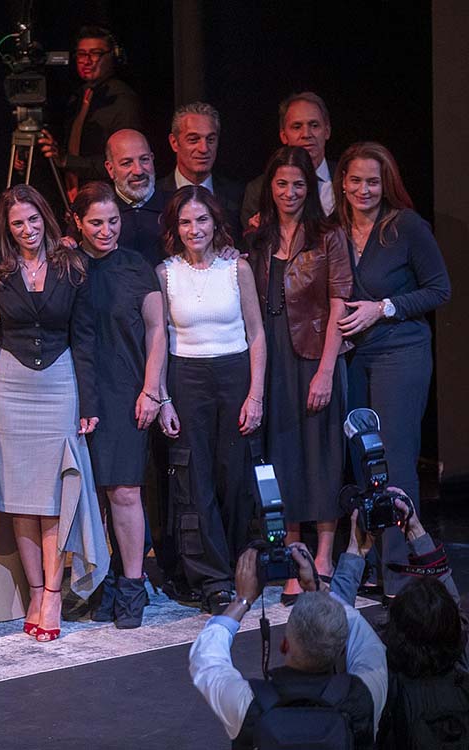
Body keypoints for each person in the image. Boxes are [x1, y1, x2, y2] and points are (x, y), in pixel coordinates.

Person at [0, 183, 107, 642]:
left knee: (54, 495)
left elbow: (84, 337)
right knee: (20, 498)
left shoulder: (72, 265)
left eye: (33, 219)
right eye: (18, 223)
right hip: (10, 386)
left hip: (59, 381)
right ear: (7, 228)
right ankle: (35, 592)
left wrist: (89, 401)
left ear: (45, 219)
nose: (27, 229)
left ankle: (54, 592)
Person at [334, 141, 451, 597]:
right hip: (354, 357)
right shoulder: (336, 229)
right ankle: (370, 562)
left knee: (395, 464)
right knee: (363, 464)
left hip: (400, 352)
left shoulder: (406, 226)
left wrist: (382, 307)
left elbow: (439, 290)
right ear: (342, 182)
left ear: (386, 184)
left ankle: (402, 576)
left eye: (373, 181)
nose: (364, 189)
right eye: (356, 180)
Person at [246, 146, 353, 603]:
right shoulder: (259, 237)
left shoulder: (329, 235)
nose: (289, 193)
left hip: (314, 354)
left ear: (310, 188)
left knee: (322, 454)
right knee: (284, 456)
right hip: (273, 358)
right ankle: (295, 555)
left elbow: (339, 304)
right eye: (281, 184)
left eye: (298, 185)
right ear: (270, 187)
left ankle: (324, 555)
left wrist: (326, 370)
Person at [156, 186, 265, 613]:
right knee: (194, 481)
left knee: (234, 478)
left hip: (235, 375)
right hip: (187, 378)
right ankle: (213, 581)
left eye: (201, 220)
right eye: (185, 222)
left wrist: (255, 395)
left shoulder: (237, 267)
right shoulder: (165, 273)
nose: (194, 229)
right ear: (175, 227)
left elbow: (257, 334)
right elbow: (159, 339)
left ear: (215, 222)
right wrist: (164, 398)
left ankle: (242, 569)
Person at [70, 182, 167, 629]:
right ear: (77, 222)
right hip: (78, 390)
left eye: (113, 221)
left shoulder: (135, 266)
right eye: (96, 222)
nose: (106, 230)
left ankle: (132, 582)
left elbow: (157, 330)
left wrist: (152, 390)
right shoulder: (68, 267)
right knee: (92, 494)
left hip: (127, 389)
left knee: (125, 491)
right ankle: (103, 578)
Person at [189, 544, 387, 748]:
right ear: (341, 649)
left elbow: (205, 658)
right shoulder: (363, 696)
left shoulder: (247, 703)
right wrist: (317, 586)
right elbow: (364, 637)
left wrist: (242, 600)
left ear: (284, 645)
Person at [327, 495, 469, 748]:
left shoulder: (379, 680)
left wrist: (356, 552)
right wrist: (416, 531)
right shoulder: (463, 669)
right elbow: (454, 613)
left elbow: (333, 625)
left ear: (394, 629)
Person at [38, 25, 141, 197]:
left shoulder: (123, 99)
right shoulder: (78, 96)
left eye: (95, 53)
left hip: (104, 200)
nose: (86, 61)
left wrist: (66, 160)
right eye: (81, 54)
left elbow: (122, 163)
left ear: (113, 56)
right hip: (74, 198)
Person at [241, 92, 338, 228]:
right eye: (297, 127)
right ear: (283, 136)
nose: (306, 134)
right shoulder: (258, 190)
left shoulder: (347, 180)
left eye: (314, 125)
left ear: (327, 131)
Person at [156, 102, 243, 243]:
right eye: (193, 140)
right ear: (174, 142)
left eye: (210, 140)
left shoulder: (237, 196)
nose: (204, 149)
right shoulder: (155, 195)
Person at [105, 128, 168, 268]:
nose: (138, 171)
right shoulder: (99, 212)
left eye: (144, 160)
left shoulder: (175, 206)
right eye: (127, 163)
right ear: (110, 169)